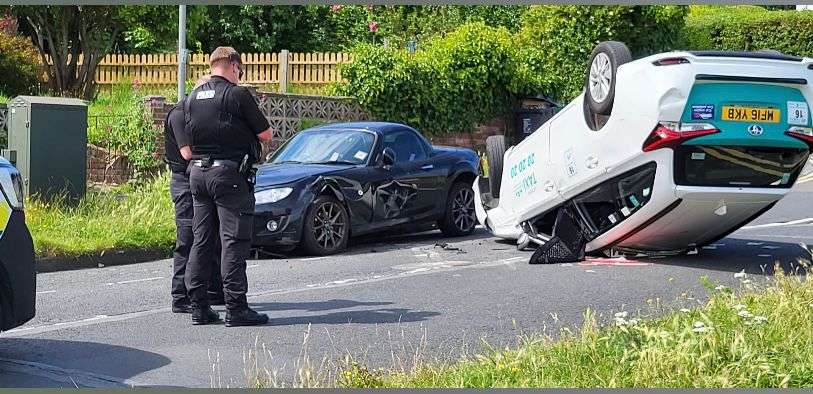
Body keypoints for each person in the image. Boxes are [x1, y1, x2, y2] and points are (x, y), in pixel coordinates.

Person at [184, 47, 273, 326]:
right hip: (229, 176)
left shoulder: (192, 97)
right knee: (233, 240)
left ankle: (199, 306)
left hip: (198, 174)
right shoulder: (237, 94)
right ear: (234, 65)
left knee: (202, 240)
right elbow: (266, 134)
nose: (240, 75)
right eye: (240, 70)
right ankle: (236, 308)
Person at [164, 74, 225, 314]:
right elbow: (187, 153)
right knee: (187, 239)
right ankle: (180, 297)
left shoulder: (193, 114)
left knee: (208, 237)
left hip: (197, 179)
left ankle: (210, 291)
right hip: (184, 180)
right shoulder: (179, 114)